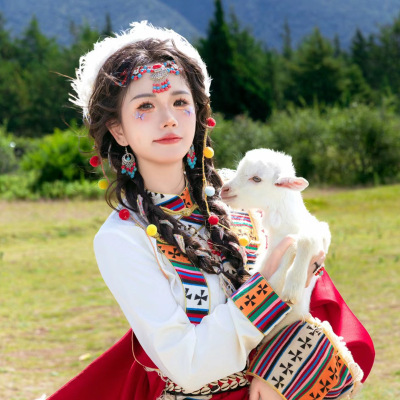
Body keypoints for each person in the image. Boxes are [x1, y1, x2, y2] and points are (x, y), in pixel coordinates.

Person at [48, 21, 374, 400]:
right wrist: (263, 288)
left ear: (199, 113)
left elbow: (313, 291)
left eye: (180, 102)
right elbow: (188, 365)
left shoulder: (244, 196)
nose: (169, 118)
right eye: (145, 106)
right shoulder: (123, 237)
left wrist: (280, 370)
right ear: (118, 130)